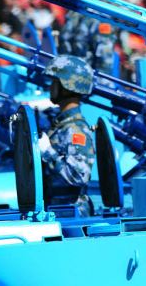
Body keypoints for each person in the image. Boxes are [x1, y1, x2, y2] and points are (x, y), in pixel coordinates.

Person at [37, 55, 96, 216]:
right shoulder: (62, 125)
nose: (51, 87)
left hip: (72, 214)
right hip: (58, 209)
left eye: (55, 82)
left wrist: (49, 153)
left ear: (67, 85)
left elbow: (78, 176)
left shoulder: (76, 130)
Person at [57, 0, 117, 76]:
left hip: (87, 86)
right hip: (67, 82)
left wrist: (98, 91)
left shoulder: (100, 20)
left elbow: (105, 65)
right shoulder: (72, 16)